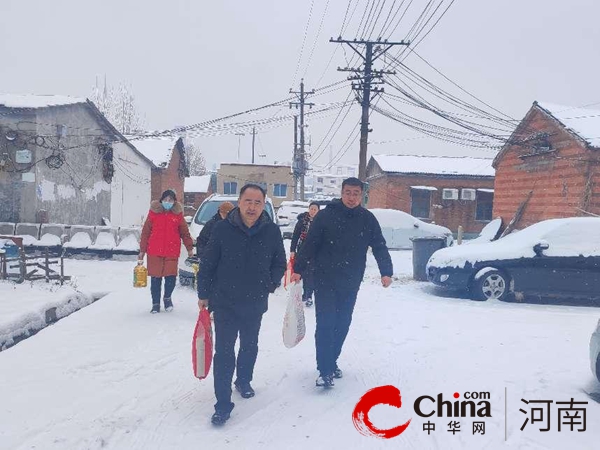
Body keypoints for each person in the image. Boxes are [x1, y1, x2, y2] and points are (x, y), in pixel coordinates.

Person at [197, 184, 286, 426]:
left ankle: (244, 380)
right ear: (239, 202)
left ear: (264, 205)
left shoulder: (271, 232)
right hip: (225, 301)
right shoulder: (222, 229)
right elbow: (208, 263)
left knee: (250, 345)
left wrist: (269, 283)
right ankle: (222, 404)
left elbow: (280, 263)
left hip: (255, 302)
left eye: (258, 202)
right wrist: (203, 293)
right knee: (224, 352)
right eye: (248, 201)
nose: (252, 207)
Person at [291, 177, 393, 388]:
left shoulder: (367, 219)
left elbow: (379, 245)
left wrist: (386, 271)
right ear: (342, 193)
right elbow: (310, 244)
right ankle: (324, 369)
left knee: (343, 323)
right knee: (326, 323)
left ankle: (332, 360)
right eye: (348, 192)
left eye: (356, 193)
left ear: (361, 195)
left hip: (351, 279)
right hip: (325, 279)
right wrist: (298, 269)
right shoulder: (326, 216)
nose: (351, 197)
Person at [139, 189, 194, 314]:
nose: (167, 202)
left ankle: (167, 298)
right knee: (155, 279)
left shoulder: (178, 215)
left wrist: (189, 248)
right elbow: (145, 232)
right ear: (161, 200)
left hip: (171, 251)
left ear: (174, 202)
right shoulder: (153, 213)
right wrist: (142, 250)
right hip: (154, 250)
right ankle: (155, 303)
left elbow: (185, 233)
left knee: (170, 278)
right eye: (165, 200)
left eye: (170, 200)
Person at [289, 202, 320, 306]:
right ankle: (299, 293)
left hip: (315, 252)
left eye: (315, 209)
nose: (313, 211)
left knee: (310, 274)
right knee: (300, 272)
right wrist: (292, 250)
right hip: (302, 250)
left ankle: (309, 295)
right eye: (311, 209)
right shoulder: (302, 221)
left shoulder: (321, 222)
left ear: (318, 211)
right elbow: (295, 236)